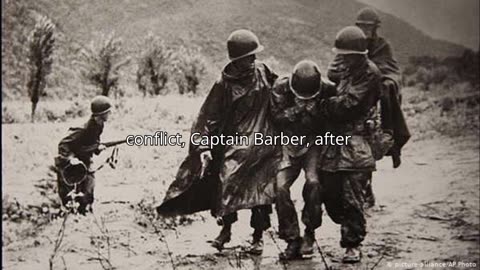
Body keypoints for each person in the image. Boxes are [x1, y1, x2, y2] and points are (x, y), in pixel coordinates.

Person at [157, 29, 279, 255]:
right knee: (225, 181)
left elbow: (279, 92)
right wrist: (203, 146)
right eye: (250, 56)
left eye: (255, 55)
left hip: (263, 141)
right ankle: (226, 230)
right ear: (238, 59)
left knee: (261, 189)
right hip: (233, 142)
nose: (254, 59)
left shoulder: (263, 71)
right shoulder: (223, 84)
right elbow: (207, 117)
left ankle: (258, 236)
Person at [328, 7, 410, 208]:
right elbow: (332, 71)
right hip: (352, 94)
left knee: (387, 90)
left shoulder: (382, 46)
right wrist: (349, 75)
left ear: (375, 28)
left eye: (368, 27)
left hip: (375, 94)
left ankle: (392, 135)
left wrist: (372, 76)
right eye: (362, 26)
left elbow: (391, 70)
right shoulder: (349, 43)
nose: (365, 30)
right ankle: (363, 190)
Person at [318, 26, 382, 263]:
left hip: (357, 143)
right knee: (329, 193)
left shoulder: (370, 73)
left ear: (358, 54)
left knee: (351, 195)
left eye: (346, 54)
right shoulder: (347, 68)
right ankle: (346, 222)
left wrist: (323, 106)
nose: (342, 58)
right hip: (335, 141)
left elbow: (349, 105)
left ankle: (352, 244)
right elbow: (334, 82)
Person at [270, 60, 336, 260]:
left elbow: (334, 118)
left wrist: (316, 111)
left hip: (313, 144)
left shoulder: (328, 89)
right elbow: (275, 117)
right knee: (280, 188)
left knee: (314, 183)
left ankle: (310, 231)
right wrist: (297, 110)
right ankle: (292, 239)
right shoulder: (280, 87)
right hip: (288, 143)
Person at [54, 95, 112, 214]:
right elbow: (63, 145)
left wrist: (97, 148)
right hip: (70, 164)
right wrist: (71, 159)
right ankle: (69, 216)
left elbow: (90, 144)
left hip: (85, 160)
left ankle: (84, 213)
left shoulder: (99, 125)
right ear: (100, 114)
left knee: (88, 189)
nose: (110, 113)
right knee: (70, 195)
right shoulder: (82, 129)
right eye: (108, 112)